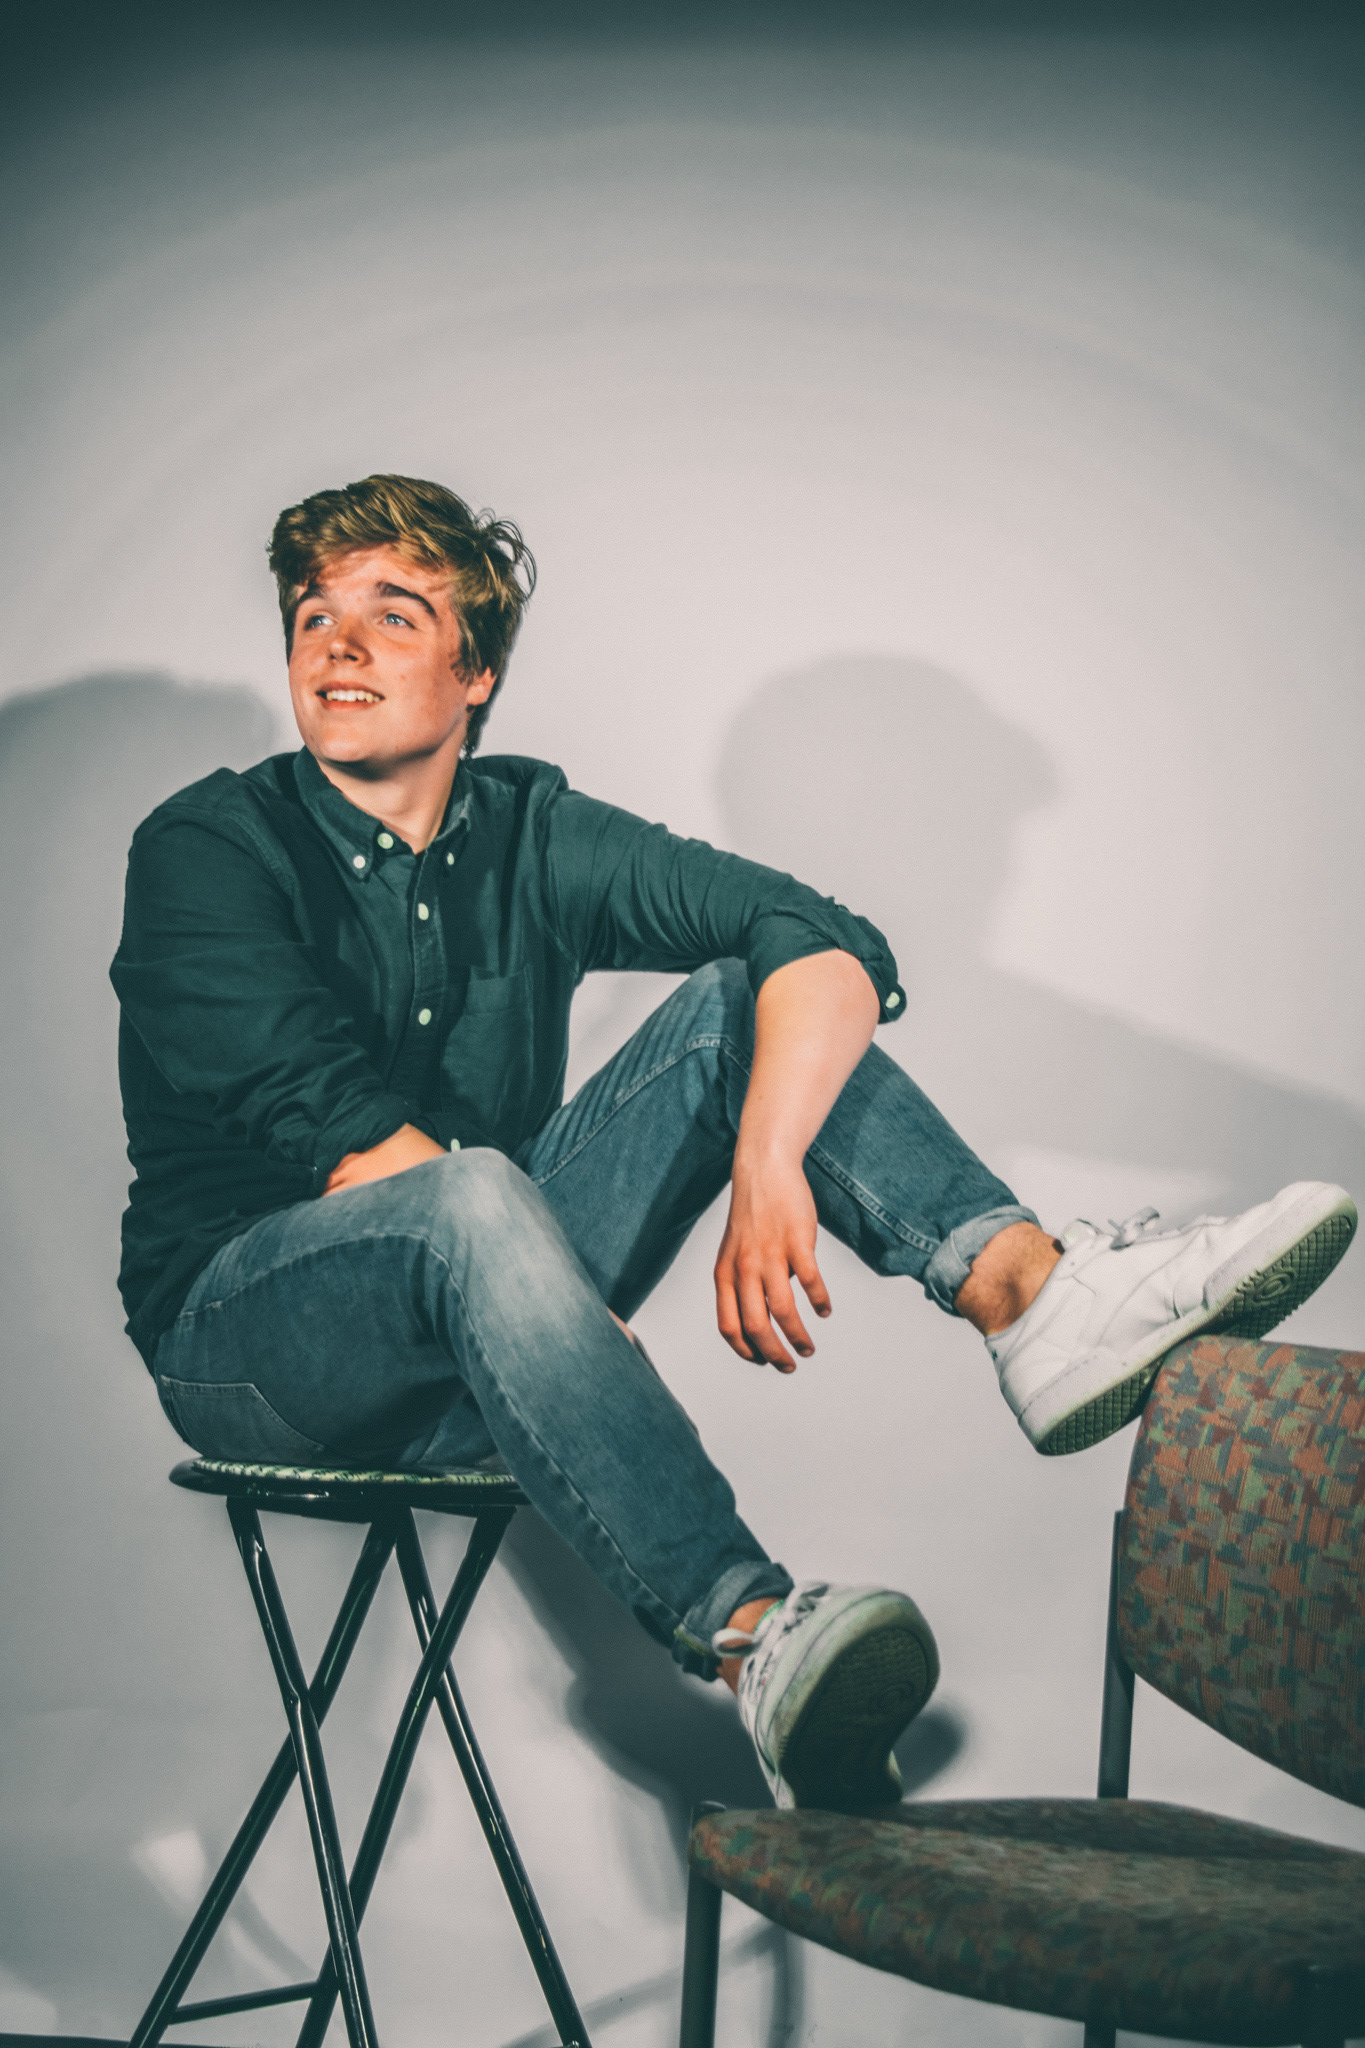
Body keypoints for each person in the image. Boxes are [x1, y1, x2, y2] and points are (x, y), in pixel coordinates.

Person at [111, 474, 1357, 1813]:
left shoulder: (531, 833)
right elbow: (338, 1130)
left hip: (479, 1332)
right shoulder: (208, 848)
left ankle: (1030, 1298)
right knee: (470, 1196)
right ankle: (754, 1638)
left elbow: (818, 938)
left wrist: (765, 1162)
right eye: (314, 615)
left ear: (475, 673)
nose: (338, 645)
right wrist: (540, 1287)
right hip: (247, 1350)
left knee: (732, 1007)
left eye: (391, 614)